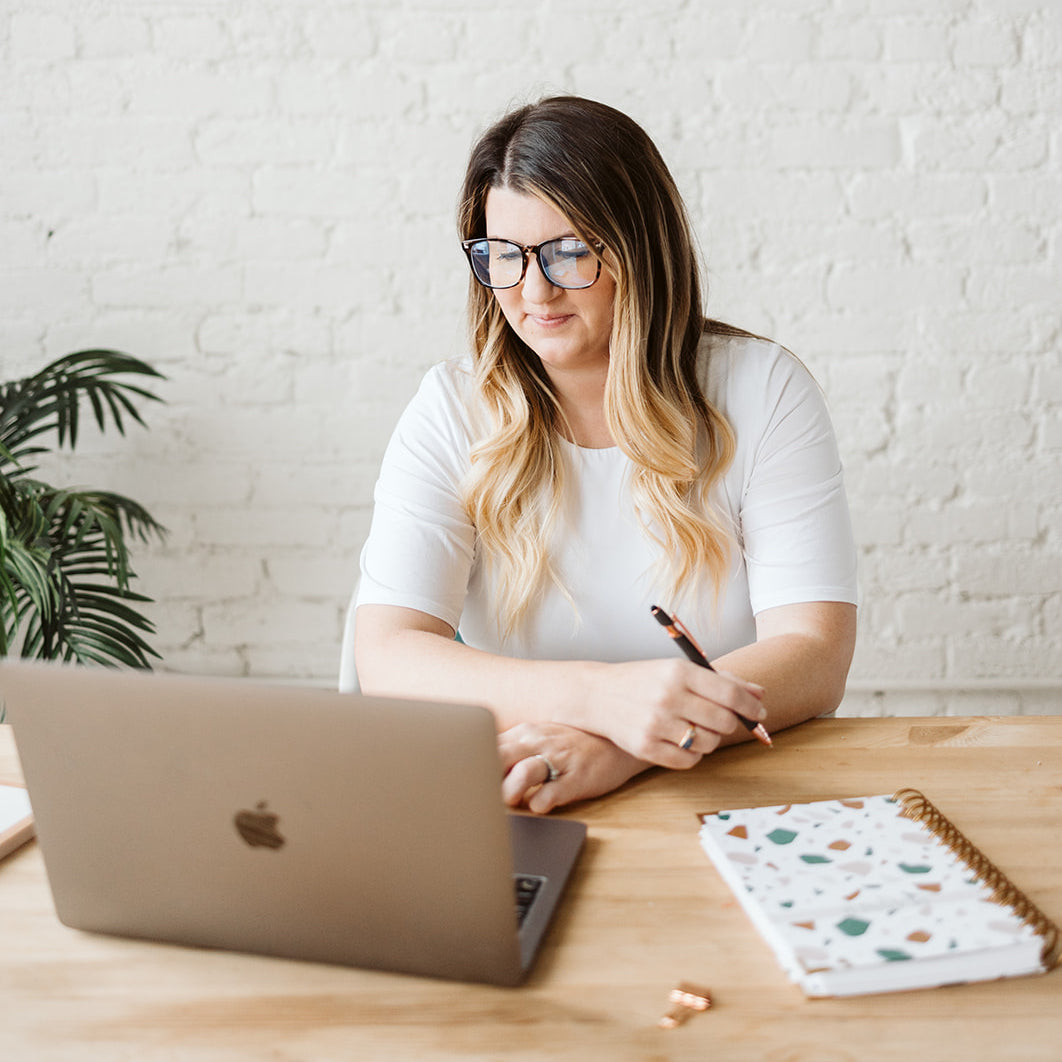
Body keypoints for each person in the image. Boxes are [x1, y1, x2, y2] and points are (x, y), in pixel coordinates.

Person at [353, 96, 858, 813]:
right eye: (504, 256)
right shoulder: (450, 409)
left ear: (640, 250)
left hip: (728, 788)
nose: (532, 291)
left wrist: (625, 743)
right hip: (521, 792)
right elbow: (389, 654)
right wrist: (600, 698)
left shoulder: (762, 389)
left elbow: (814, 652)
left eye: (568, 252)